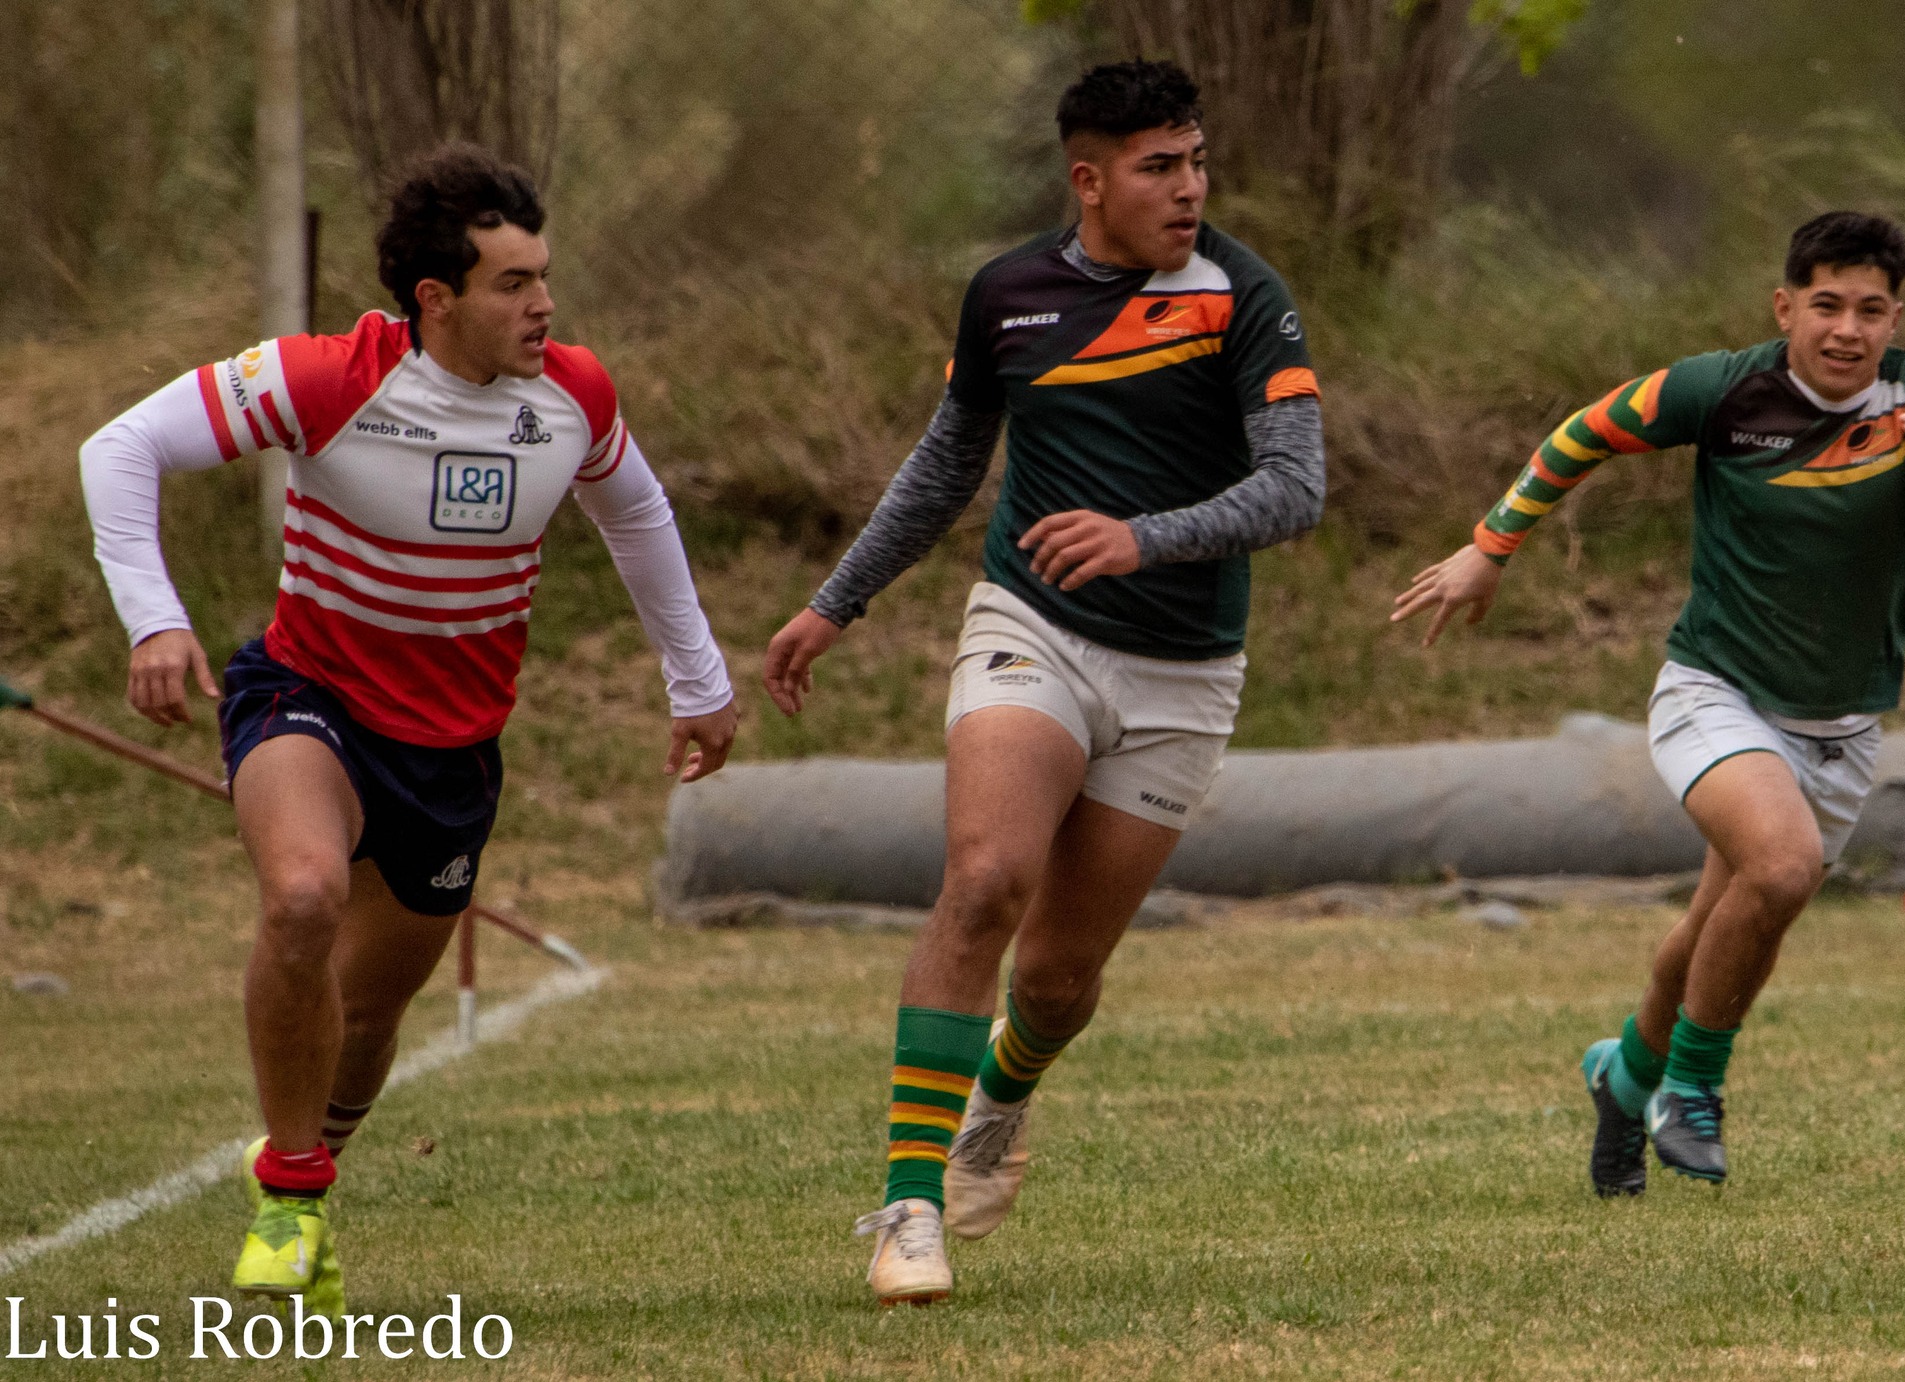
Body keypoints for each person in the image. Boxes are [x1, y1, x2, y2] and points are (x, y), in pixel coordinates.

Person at [77, 144, 739, 1311]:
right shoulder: (330, 377)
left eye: (544, 276)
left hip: (452, 750)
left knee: (372, 1015)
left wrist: (697, 677)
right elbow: (120, 447)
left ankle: (309, 1169)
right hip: (306, 695)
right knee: (300, 899)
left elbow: (637, 515)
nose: (542, 304)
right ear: (435, 298)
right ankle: (285, 1194)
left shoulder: (574, 394)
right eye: (511, 284)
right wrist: (152, 622)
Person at [762, 60, 1326, 1305]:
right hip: (1036, 625)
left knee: (1059, 978)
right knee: (984, 880)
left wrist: (1147, 532)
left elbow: (1298, 486)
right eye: (1157, 167)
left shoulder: (1243, 292)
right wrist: (832, 601)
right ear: (1089, 179)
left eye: (1195, 161)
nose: (1189, 188)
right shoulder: (1008, 295)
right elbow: (946, 464)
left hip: (1184, 669)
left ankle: (1000, 1097)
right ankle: (911, 1208)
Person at [1394, 212, 1905, 1195]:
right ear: (1784, 304)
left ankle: (1623, 1079)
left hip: (1841, 728)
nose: (1847, 328)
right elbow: (1585, 431)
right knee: (1782, 865)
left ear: (1895, 317)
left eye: (1870, 310)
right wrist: (1488, 546)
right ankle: (1692, 1090)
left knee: (1713, 930)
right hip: (1716, 690)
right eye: (1826, 304)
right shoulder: (1724, 387)